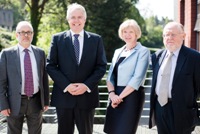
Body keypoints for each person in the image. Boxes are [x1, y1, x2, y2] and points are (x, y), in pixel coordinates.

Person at [46, 3, 107, 134]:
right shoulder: (57, 39)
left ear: (85, 19)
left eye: (80, 17)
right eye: (73, 17)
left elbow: (101, 67)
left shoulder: (96, 40)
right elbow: (50, 66)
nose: (76, 20)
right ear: (68, 19)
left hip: (87, 98)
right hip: (64, 97)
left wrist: (86, 86)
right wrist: (67, 86)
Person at [149, 21, 200, 134]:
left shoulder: (195, 58)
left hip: (183, 110)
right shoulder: (157, 56)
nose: (169, 38)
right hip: (160, 108)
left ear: (183, 36)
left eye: (173, 34)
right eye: (166, 35)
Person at [0, 21, 49, 134]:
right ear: (17, 35)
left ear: (32, 34)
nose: (26, 35)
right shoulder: (6, 54)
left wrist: (45, 101)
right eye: (22, 32)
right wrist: (3, 105)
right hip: (14, 103)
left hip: (36, 102)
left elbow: (44, 79)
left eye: (29, 32)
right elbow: (1, 82)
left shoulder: (40, 53)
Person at [103, 19, 150, 134]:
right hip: (115, 95)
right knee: (112, 130)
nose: (127, 35)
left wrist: (120, 97)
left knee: (125, 131)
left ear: (136, 34)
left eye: (131, 32)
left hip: (132, 95)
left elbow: (137, 78)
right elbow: (110, 76)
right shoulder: (118, 51)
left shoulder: (143, 51)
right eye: (125, 32)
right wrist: (112, 94)